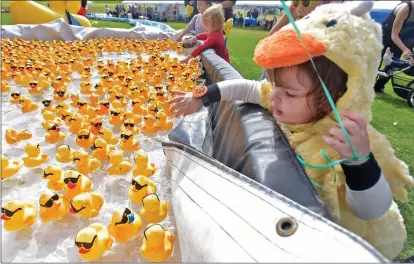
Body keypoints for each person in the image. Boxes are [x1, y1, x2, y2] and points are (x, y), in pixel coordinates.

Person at [169, 2, 413, 260]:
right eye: (276, 86)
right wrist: (203, 95)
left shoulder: (343, 139)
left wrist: (359, 162)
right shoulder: (283, 101)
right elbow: (248, 88)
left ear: (335, 97)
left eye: (289, 92)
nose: (274, 98)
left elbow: (372, 211)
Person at [374, 1, 414, 93]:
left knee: (392, 66)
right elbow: (394, 35)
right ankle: (368, 83)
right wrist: (405, 49)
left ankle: (379, 86)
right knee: (376, 60)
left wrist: (410, 51)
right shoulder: (405, 9)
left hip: (401, 37)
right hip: (387, 34)